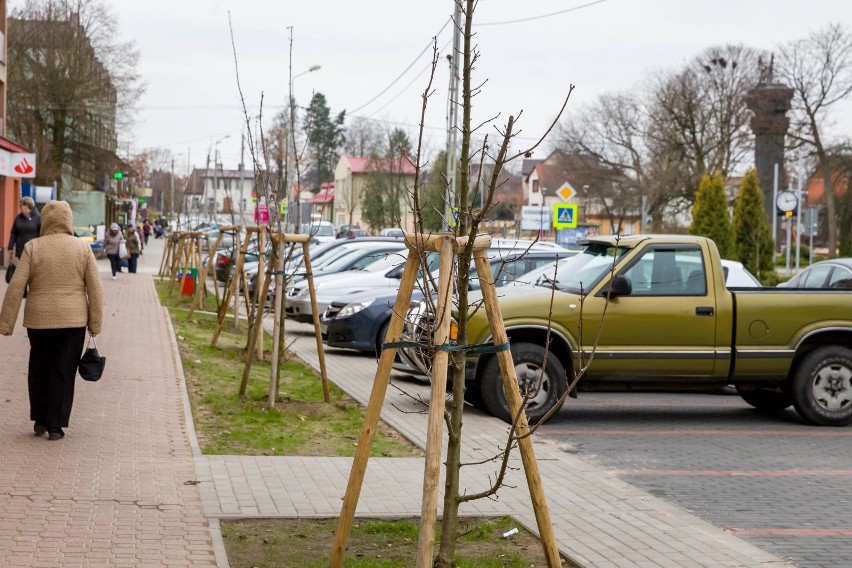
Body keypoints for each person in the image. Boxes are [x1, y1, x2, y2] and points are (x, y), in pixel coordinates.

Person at [0, 200, 103, 441]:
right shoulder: (82, 248)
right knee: (63, 371)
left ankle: (40, 419)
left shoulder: (33, 247)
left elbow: (16, 285)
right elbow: (95, 289)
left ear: (44, 220)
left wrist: (6, 323)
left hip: (39, 320)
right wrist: (95, 324)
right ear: (68, 220)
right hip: (73, 321)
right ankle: (56, 426)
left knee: (39, 368)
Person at [7, 196, 41, 263]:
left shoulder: (38, 218)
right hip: (20, 250)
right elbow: (13, 233)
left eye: (21, 205)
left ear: (27, 206)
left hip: (33, 251)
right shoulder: (18, 218)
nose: (19, 207)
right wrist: (10, 247)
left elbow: (41, 234)